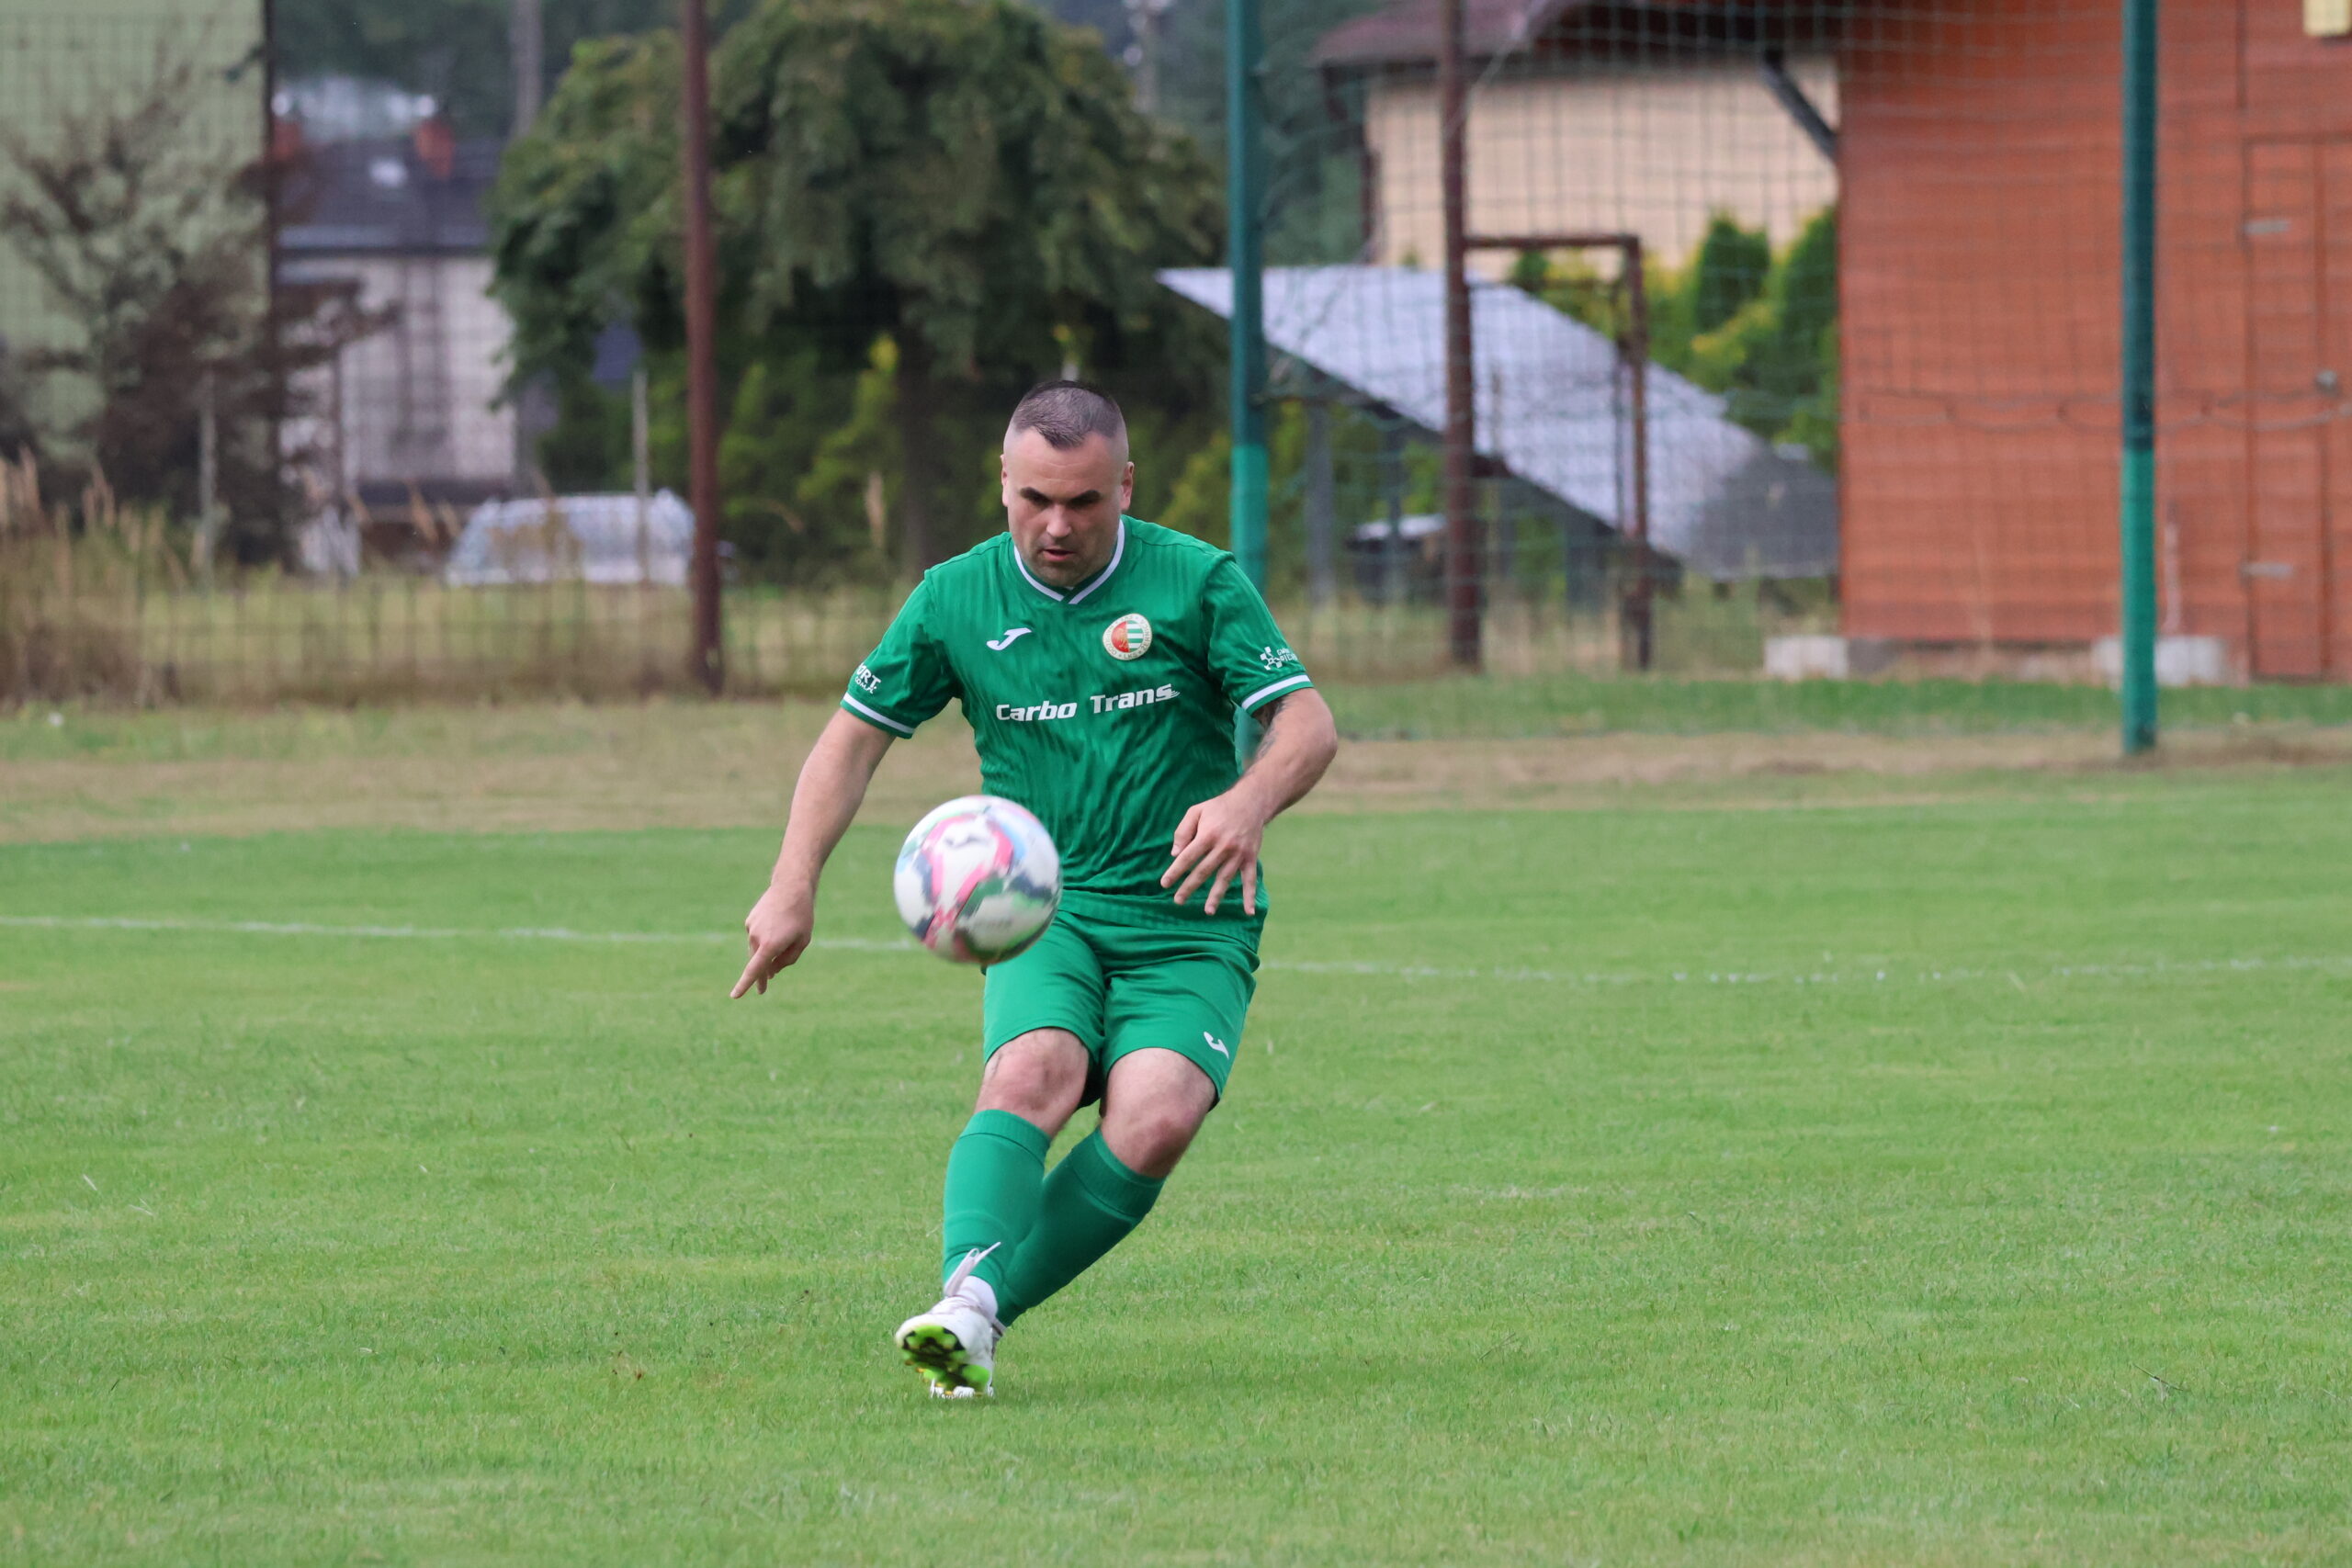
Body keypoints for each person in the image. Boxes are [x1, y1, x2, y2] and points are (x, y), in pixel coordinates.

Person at [730, 380, 1339, 1396]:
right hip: (1041, 910)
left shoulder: (1196, 581)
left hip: (1190, 917)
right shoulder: (954, 598)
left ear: (1125, 487)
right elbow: (850, 743)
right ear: (1003, 483)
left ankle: (977, 1314)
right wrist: (791, 885)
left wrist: (1248, 800)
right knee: (1033, 1072)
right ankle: (964, 1300)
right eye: (1036, 499)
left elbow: (1307, 723)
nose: (1058, 525)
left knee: (1156, 1119)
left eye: (1085, 501)